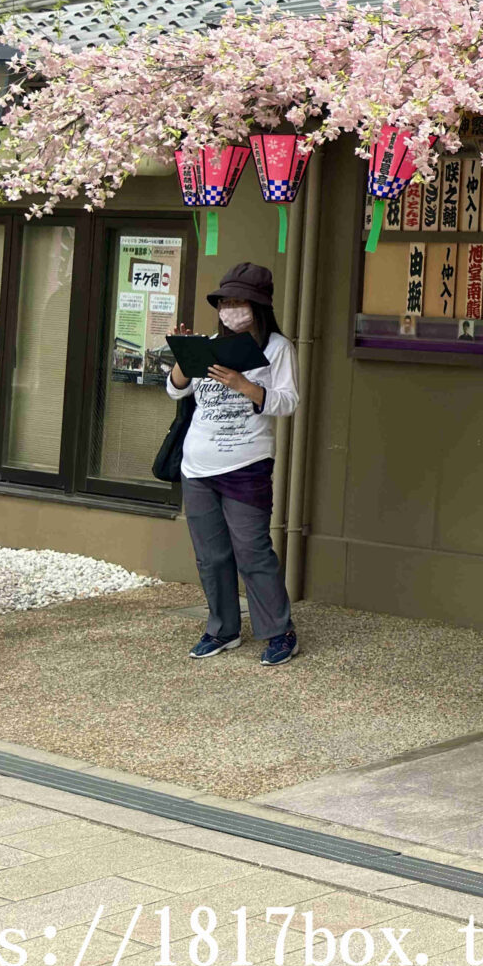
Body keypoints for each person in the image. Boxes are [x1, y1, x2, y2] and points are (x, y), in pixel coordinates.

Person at [166, 262, 300, 666]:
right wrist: (181, 356)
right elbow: (174, 392)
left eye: (238, 302)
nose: (230, 309)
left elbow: (288, 402)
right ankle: (222, 628)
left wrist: (245, 386)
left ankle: (280, 632)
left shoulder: (278, 348)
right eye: (225, 302)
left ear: (257, 306)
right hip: (197, 465)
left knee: (253, 551)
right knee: (211, 555)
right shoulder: (208, 343)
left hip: (247, 464)